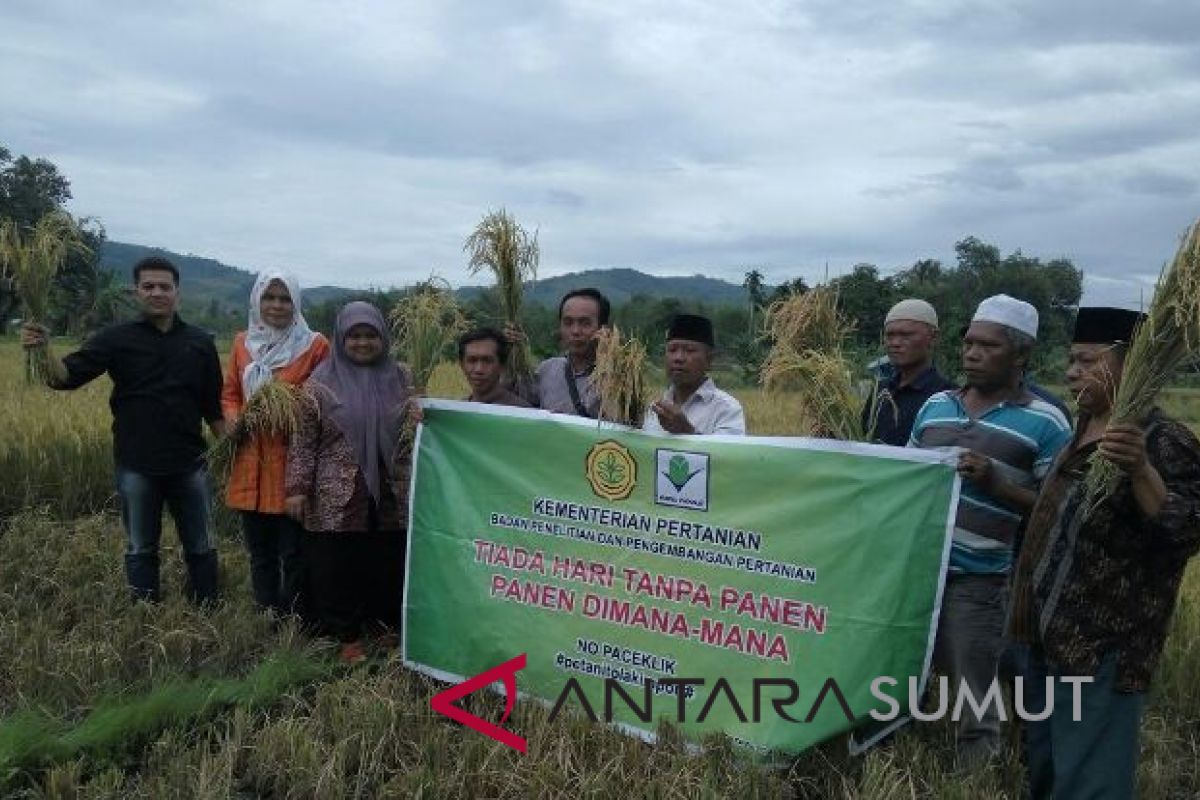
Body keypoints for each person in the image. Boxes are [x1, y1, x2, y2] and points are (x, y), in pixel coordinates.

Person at [1008, 307, 1200, 799]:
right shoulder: (1084, 425)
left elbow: (1183, 533)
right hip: (1045, 636)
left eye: (1087, 361)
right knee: (1047, 770)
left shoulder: (1162, 441)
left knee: (1090, 782)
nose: (1072, 373)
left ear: (1133, 364)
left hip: (1101, 649)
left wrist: (1140, 471)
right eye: (1070, 361)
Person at [908, 294, 1072, 765]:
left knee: (975, 692)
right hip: (916, 571)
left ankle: (976, 775)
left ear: (1021, 356)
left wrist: (997, 483)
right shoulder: (936, 406)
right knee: (897, 674)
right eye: (969, 343)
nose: (972, 353)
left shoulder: (1046, 422)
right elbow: (903, 478)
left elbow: (1058, 507)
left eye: (988, 346)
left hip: (980, 578)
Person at [20, 256, 226, 603]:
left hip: (191, 462)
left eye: (164, 286)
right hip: (136, 464)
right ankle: (145, 617)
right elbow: (66, 377)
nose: (157, 292)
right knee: (141, 547)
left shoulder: (200, 342)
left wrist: (231, 454)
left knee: (202, 544)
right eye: (148, 286)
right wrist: (42, 351)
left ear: (177, 292)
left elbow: (213, 407)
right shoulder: (115, 339)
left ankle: (208, 608)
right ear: (136, 292)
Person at [284, 302, 411, 664]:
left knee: (387, 557)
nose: (362, 343)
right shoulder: (319, 383)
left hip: (390, 487)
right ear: (341, 338)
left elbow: (415, 426)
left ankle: (384, 625)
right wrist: (296, 489)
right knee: (336, 562)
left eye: (370, 335)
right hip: (336, 490)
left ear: (383, 338)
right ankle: (347, 635)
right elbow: (303, 440)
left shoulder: (401, 377)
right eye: (354, 336)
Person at [222, 271, 329, 617]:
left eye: (285, 299)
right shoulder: (242, 343)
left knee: (294, 551)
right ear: (257, 301)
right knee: (260, 551)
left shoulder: (314, 345)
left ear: (296, 304)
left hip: (291, 466)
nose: (277, 306)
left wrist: (285, 409)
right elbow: (230, 394)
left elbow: (322, 400)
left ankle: (297, 616)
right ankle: (267, 611)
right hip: (250, 463)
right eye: (269, 298)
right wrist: (235, 419)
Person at [862, 299, 956, 446]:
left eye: (906, 335)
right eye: (890, 335)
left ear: (933, 338)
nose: (895, 343)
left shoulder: (949, 397)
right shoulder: (880, 391)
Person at [643, 313, 745, 435]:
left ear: (709, 360)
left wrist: (687, 431)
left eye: (690, 350)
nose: (678, 358)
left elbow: (728, 453)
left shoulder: (727, 409)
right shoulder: (655, 409)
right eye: (672, 350)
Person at [524, 288, 610, 417]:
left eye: (585, 323)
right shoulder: (547, 369)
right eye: (568, 323)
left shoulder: (618, 378)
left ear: (603, 328)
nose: (575, 331)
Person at [458, 327, 531, 407]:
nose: (479, 369)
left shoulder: (522, 413)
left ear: (502, 365)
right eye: (472, 360)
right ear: (462, 365)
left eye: (487, 361)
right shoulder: (457, 410)